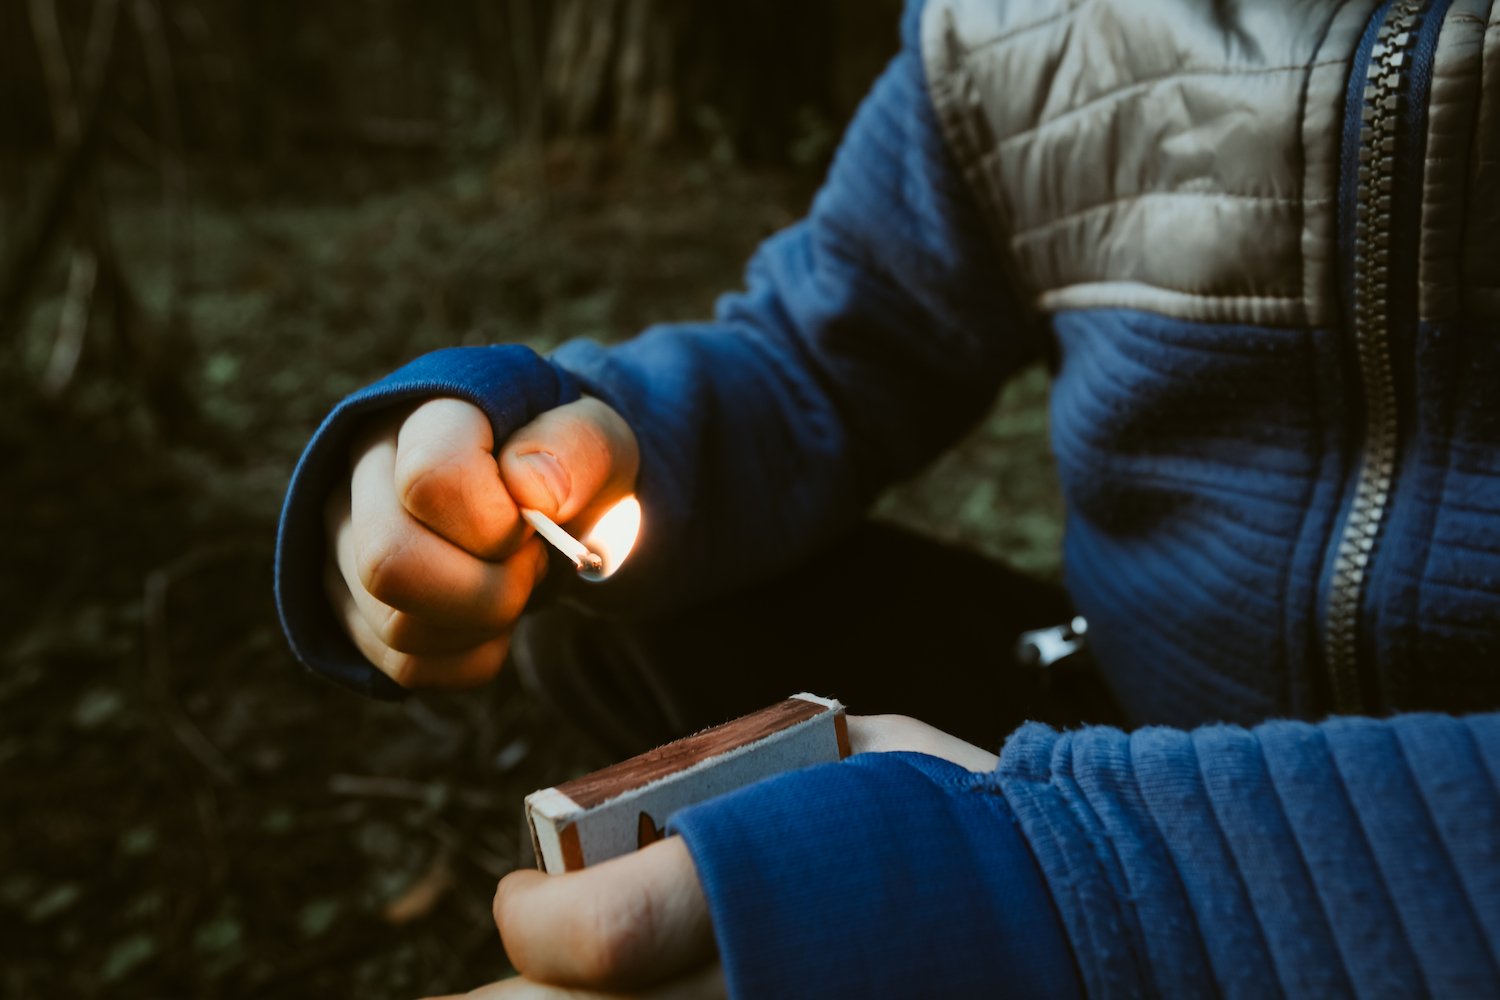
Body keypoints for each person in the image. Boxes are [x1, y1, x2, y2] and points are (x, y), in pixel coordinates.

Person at [275, 0, 1500, 995]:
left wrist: (1098, 899)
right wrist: (545, 421)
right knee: (637, 626)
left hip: (1375, 843)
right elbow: (825, 356)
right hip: (1125, 709)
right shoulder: (1019, 26)